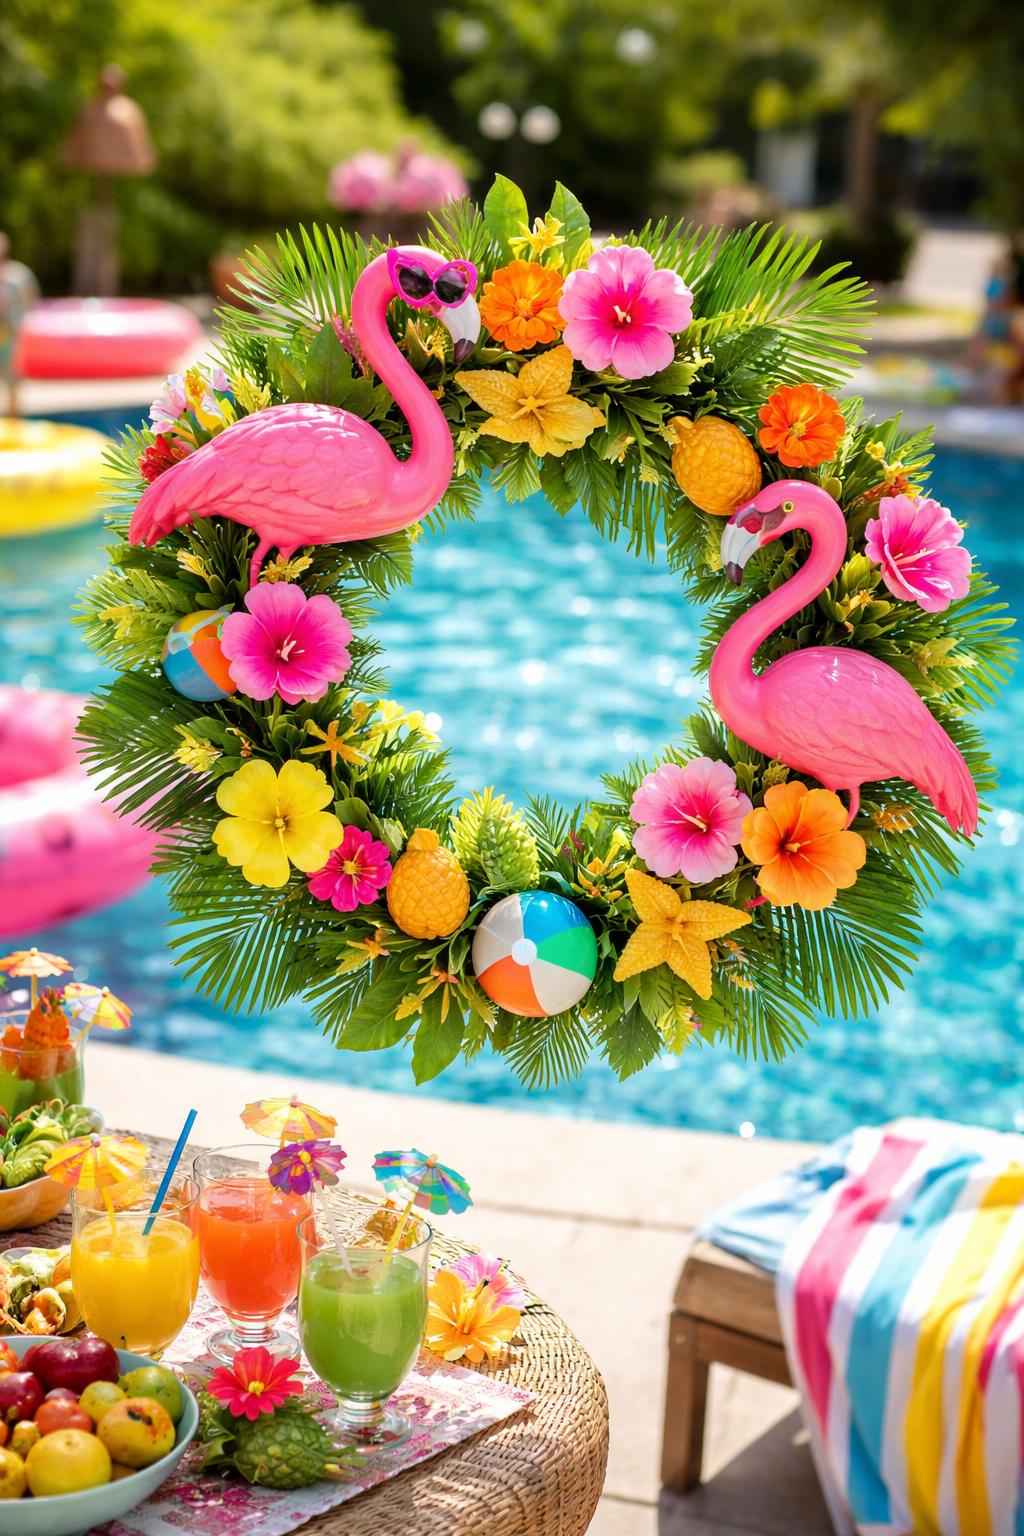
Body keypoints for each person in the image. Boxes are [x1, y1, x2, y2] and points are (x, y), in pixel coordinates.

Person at [0, 233, 40, 415]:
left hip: (10, 335)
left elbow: (31, 300)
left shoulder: (17, 276)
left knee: (13, 382)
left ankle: (14, 418)